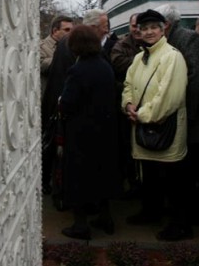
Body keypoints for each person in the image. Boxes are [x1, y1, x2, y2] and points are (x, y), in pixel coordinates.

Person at [122, 9, 190, 241]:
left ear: (164, 30)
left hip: (165, 129)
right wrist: (128, 104)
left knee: (173, 180)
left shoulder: (172, 56)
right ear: (138, 32)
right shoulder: (138, 58)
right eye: (145, 28)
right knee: (149, 176)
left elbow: (170, 97)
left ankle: (180, 224)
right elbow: (128, 85)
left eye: (154, 27)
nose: (149, 32)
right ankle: (151, 213)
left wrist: (140, 115)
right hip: (141, 126)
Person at [155, 4, 199, 226]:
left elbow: (198, 78)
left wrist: (183, 114)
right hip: (184, 118)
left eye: (156, 25)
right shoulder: (169, 41)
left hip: (197, 120)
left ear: (167, 24)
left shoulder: (189, 39)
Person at [58, 25, 122, 240]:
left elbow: (68, 103)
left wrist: (61, 102)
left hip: (82, 133)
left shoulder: (78, 70)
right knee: (102, 174)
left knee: (78, 177)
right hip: (106, 131)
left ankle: (80, 225)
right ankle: (106, 218)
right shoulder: (105, 65)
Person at [41, 9, 113, 198]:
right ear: (91, 28)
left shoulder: (79, 51)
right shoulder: (78, 52)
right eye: (103, 28)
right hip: (79, 120)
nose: (106, 32)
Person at [111, 12, 143, 199]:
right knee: (128, 148)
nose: (138, 29)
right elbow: (119, 65)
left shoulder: (155, 44)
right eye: (134, 25)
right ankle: (132, 184)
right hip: (127, 106)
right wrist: (145, 60)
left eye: (142, 25)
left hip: (150, 107)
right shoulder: (121, 45)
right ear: (129, 27)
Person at [40, 16, 73, 95]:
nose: (71, 33)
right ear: (55, 31)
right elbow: (43, 66)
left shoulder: (72, 47)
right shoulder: (41, 47)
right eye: (67, 30)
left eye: (72, 30)